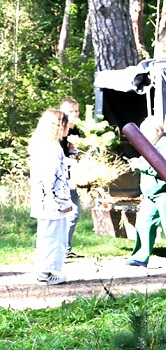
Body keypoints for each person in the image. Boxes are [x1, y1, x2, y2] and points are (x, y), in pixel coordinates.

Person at [125, 116, 166, 268]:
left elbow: (164, 168)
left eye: (145, 132)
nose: (142, 137)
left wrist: (140, 164)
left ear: (157, 130)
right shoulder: (153, 145)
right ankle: (140, 257)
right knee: (143, 224)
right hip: (151, 195)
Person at [29, 109, 75, 285]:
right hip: (51, 201)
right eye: (66, 124)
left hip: (49, 200)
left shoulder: (46, 144)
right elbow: (48, 178)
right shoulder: (50, 147)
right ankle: (46, 273)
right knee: (52, 236)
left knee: (52, 235)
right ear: (58, 126)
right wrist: (57, 202)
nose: (69, 128)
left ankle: (47, 271)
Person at [59, 97, 83, 258]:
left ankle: (65, 248)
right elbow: (58, 158)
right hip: (60, 179)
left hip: (71, 177)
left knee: (75, 213)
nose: (75, 114)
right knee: (72, 212)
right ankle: (62, 249)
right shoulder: (59, 132)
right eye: (71, 111)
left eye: (76, 110)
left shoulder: (76, 131)